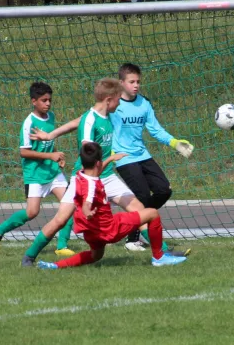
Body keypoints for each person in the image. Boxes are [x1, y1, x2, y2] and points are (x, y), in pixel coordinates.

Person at [21, 78, 151, 267]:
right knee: (60, 219)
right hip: (85, 178)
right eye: (118, 100)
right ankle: (29, 256)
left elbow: (74, 122)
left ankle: (161, 252)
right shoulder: (91, 120)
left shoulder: (107, 115)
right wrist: (109, 160)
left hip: (105, 175)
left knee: (139, 209)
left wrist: (50, 135)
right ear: (109, 99)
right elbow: (87, 153)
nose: (120, 103)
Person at [37, 142, 187, 269]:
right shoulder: (91, 185)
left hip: (91, 232)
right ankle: (159, 257)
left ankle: (55, 265)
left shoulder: (81, 175)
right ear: (97, 163)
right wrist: (86, 210)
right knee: (152, 213)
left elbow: (95, 173)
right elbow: (88, 201)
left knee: (95, 256)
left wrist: (110, 159)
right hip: (110, 229)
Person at [111, 63, 193, 251]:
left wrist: (175, 143)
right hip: (123, 157)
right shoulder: (113, 104)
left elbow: (155, 129)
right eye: (132, 81)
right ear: (121, 82)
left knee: (164, 190)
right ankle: (133, 239)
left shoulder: (144, 102)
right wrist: (109, 153)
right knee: (141, 195)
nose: (136, 85)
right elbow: (103, 128)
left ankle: (141, 219)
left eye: (138, 81)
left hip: (142, 154)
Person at [0, 82, 75, 256]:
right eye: (44, 100)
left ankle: (62, 246)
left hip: (53, 172)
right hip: (34, 174)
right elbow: (23, 152)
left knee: (70, 205)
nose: (48, 104)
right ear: (33, 101)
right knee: (32, 212)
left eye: (50, 100)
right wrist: (50, 156)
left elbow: (49, 141)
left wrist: (56, 155)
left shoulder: (51, 116)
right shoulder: (28, 123)